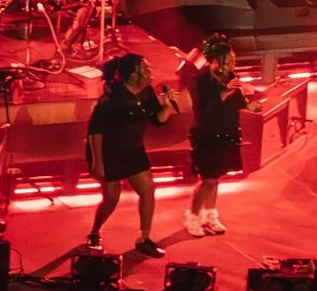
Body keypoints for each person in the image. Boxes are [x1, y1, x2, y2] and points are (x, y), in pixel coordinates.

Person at [85, 52, 175, 257]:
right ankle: (95, 231)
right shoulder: (112, 98)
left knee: (148, 190)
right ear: (134, 73)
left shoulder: (146, 92)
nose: (150, 72)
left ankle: (144, 239)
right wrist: (98, 163)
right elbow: (95, 131)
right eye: (145, 69)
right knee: (111, 199)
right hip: (109, 152)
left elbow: (157, 120)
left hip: (133, 149)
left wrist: (168, 107)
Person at [182, 30, 249, 239]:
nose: (230, 65)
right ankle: (192, 216)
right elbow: (206, 108)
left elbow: (239, 103)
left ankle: (210, 214)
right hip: (207, 133)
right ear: (215, 60)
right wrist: (228, 90)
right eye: (226, 61)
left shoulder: (228, 77)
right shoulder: (201, 80)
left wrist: (250, 97)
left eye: (232, 60)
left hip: (226, 132)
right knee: (207, 179)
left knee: (216, 178)